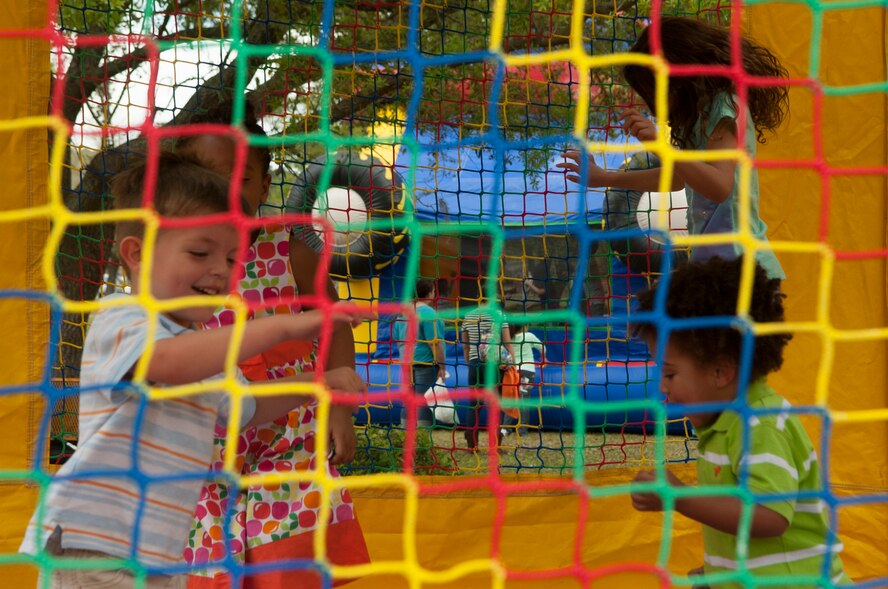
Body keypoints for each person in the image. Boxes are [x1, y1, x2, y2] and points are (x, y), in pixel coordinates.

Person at [19, 153, 369, 588]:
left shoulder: (199, 343)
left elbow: (246, 406)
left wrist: (317, 384)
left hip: (161, 552)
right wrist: (282, 326)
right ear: (137, 253)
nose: (220, 272)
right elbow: (165, 364)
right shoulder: (124, 319)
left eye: (229, 259)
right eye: (200, 252)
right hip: (93, 542)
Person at [175, 101, 370, 586]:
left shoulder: (291, 248)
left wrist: (340, 409)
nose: (226, 189)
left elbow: (334, 327)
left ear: (264, 184)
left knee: (293, 571)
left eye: (242, 176)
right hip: (209, 453)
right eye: (210, 174)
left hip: (291, 444)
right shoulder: (174, 262)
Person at [629, 257, 849, 587]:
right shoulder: (724, 425)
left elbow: (769, 516)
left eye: (670, 373)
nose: (662, 387)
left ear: (721, 371)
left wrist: (679, 498)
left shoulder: (758, 424)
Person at [557, 16, 787, 280]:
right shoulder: (697, 116)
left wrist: (661, 147)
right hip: (713, 266)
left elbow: (720, 186)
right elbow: (678, 179)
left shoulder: (725, 105)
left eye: (655, 90)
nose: (656, 101)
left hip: (743, 267)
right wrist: (606, 178)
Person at [391, 279, 447, 427]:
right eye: (433, 291)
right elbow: (434, 343)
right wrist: (442, 366)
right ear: (429, 293)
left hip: (406, 363)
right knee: (423, 402)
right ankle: (423, 441)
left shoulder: (403, 313)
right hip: (425, 363)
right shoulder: (428, 313)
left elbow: (398, 340)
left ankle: (404, 435)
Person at [460, 302, 514, 451]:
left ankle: (472, 445)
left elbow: (465, 344)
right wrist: (513, 364)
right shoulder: (498, 314)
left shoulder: (468, 315)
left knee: (474, 405)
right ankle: (495, 446)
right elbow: (507, 343)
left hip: (474, 364)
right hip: (494, 365)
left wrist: (471, 362)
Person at [506, 324, 546, 437]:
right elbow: (543, 347)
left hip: (512, 372)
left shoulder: (509, 338)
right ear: (524, 327)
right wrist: (544, 358)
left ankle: (506, 429)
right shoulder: (528, 336)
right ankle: (522, 431)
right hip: (527, 371)